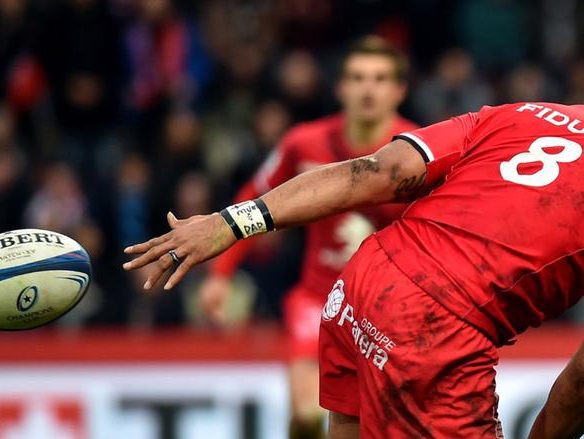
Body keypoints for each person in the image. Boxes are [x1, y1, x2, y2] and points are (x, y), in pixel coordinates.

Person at [123, 101, 583, 438]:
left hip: (365, 280)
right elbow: (579, 383)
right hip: (436, 327)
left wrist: (229, 222)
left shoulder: (526, 113)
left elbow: (377, 171)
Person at [197, 35, 416, 437]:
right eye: (357, 77)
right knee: (308, 416)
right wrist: (220, 274)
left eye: (380, 79)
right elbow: (252, 201)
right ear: (341, 87)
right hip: (319, 299)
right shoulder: (303, 142)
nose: (368, 89)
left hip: (390, 310)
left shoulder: (416, 152)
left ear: (399, 90)